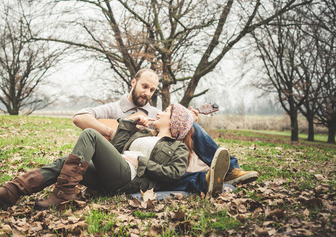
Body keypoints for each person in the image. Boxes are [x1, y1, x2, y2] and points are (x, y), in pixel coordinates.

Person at [0, 104, 230, 210]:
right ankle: (13, 191)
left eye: (166, 111)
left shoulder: (176, 148)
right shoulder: (144, 132)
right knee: (62, 163)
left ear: (173, 122)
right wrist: (130, 124)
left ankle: (63, 194)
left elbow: (174, 174)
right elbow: (118, 147)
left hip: (131, 178)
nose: (160, 112)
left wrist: (141, 161)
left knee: (90, 134)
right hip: (115, 171)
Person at [72, 68, 259, 186]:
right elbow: (79, 118)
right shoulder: (113, 109)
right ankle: (211, 176)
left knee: (195, 131)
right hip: (117, 160)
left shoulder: (155, 114)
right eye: (144, 86)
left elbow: (168, 133)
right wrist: (113, 132)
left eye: (152, 90)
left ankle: (229, 169)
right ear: (133, 82)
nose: (147, 93)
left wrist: (188, 119)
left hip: (148, 162)